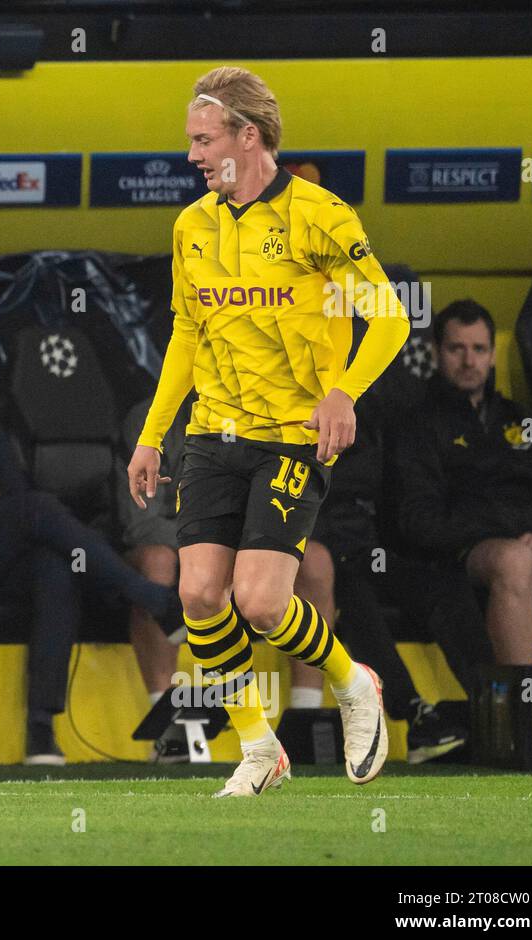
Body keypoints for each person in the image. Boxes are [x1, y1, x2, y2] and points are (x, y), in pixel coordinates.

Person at [127, 66, 410, 796]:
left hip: (291, 434)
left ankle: (355, 684)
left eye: (201, 139)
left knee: (259, 602)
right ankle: (258, 747)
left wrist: (344, 390)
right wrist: (153, 436)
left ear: (246, 136)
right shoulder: (193, 225)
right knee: (198, 596)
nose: (190, 155)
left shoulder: (319, 218)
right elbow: (187, 335)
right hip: (212, 435)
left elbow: (388, 316)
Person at [0, 312, 180, 765]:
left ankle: (41, 728)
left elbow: (14, 489)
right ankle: (151, 598)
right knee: (38, 511)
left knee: (54, 565)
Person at [120, 396, 337, 761]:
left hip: (249, 546)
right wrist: (216, 547)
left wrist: (249, 547)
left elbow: (295, 510)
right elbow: (141, 519)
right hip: (179, 549)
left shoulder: (271, 406)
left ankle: (306, 718)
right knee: (157, 563)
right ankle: (170, 733)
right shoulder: (151, 417)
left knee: (315, 560)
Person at [394, 300, 532, 665]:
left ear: (493, 355)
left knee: (522, 554)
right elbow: (418, 520)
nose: (469, 361)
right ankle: (519, 710)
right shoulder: (417, 425)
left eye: (479, 349)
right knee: (513, 559)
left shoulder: (525, 421)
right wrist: (516, 535)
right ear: (435, 352)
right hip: (460, 555)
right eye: (456, 349)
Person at [314, 388, 481, 763]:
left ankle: (491, 702)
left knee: (442, 583)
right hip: (318, 549)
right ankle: (415, 712)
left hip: (367, 550)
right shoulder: (296, 411)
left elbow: (389, 496)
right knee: (354, 599)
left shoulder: (374, 413)